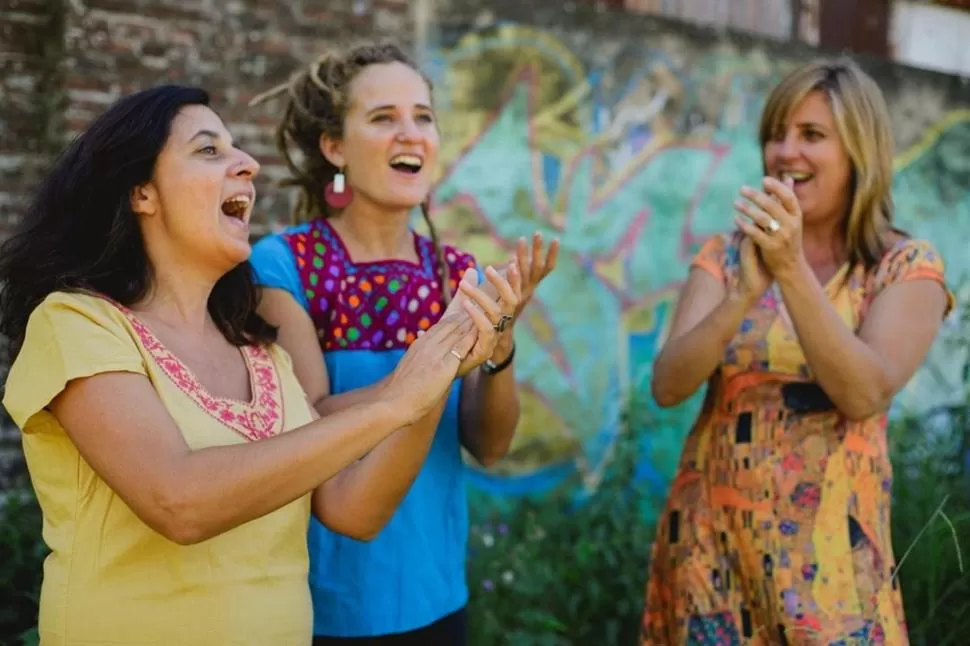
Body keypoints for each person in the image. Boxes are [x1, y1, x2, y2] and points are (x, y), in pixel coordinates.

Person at [0, 85, 514, 646]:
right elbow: (180, 501)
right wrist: (395, 400)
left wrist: (438, 373)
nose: (246, 165)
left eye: (238, 151)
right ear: (141, 192)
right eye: (209, 151)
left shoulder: (258, 350)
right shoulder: (77, 323)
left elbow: (353, 510)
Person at [246, 43, 558, 644]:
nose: (410, 133)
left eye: (423, 116)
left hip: (437, 593)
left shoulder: (455, 274)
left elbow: (490, 446)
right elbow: (304, 419)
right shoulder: (285, 265)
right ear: (334, 147)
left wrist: (502, 347)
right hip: (323, 598)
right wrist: (431, 366)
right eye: (383, 117)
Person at [640, 57, 955, 645]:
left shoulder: (905, 268)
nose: (786, 152)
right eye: (776, 134)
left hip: (833, 573)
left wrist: (790, 271)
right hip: (712, 557)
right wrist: (741, 296)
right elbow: (668, 386)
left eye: (811, 135)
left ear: (859, 151)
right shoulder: (726, 255)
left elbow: (864, 392)